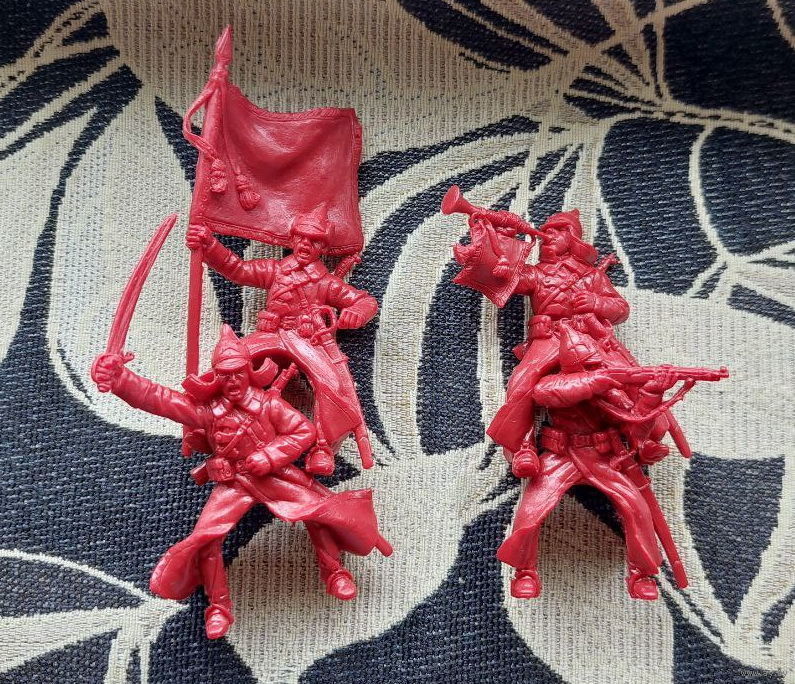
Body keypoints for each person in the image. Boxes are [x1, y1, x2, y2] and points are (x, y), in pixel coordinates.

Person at [92, 325, 391, 639]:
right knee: (206, 539)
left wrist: (270, 456)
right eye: (225, 375)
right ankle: (218, 606)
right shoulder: (210, 412)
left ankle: (334, 572)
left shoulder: (269, 405)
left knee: (319, 514)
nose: (232, 381)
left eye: (237, 373)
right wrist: (120, 380)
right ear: (217, 377)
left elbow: (303, 431)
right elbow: (162, 400)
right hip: (233, 484)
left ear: (248, 372)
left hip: (275, 476)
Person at [496, 323, 677, 601]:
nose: (596, 368)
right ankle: (524, 571)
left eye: (596, 364)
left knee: (636, 508)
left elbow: (635, 424)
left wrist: (653, 393)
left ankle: (641, 573)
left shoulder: (610, 390)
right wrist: (598, 381)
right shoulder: (554, 382)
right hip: (562, 456)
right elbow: (548, 393)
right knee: (531, 512)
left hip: (603, 458)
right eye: (589, 364)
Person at [187, 217, 378, 475]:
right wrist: (209, 245)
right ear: (293, 239)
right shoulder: (276, 270)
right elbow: (238, 270)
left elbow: (364, 301)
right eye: (302, 238)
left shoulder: (325, 282)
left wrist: (356, 313)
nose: (306, 244)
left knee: (330, 384)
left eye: (314, 241)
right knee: (230, 363)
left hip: (306, 340)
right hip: (271, 333)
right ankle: (202, 417)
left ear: (323, 247)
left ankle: (323, 447)